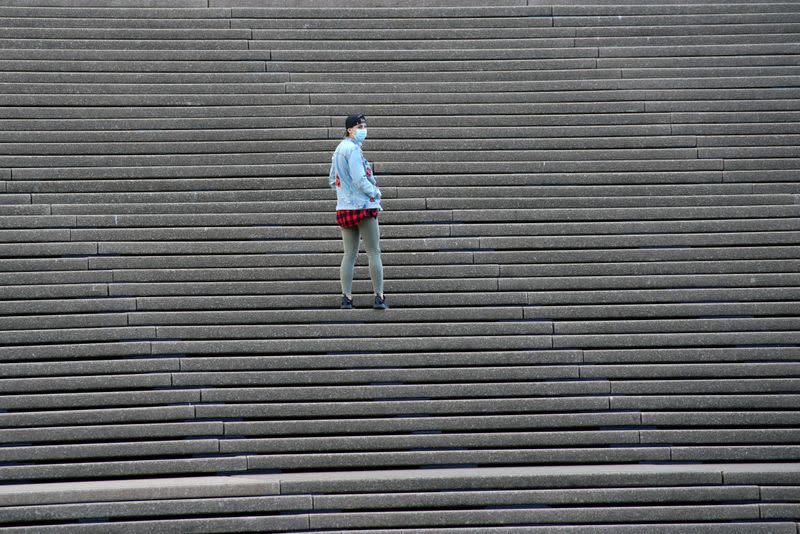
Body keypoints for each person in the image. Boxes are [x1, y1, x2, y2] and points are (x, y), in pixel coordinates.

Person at [328, 113, 388, 310]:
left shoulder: (338, 150)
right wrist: (375, 193)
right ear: (349, 129)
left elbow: (332, 179)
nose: (363, 130)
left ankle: (346, 297)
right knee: (373, 252)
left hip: (344, 207)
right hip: (363, 206)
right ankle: (379, 296)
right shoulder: (353, 150)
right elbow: (360, 179)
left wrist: (344, 194)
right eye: (359, 126)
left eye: (364, 126)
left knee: (349, 254)